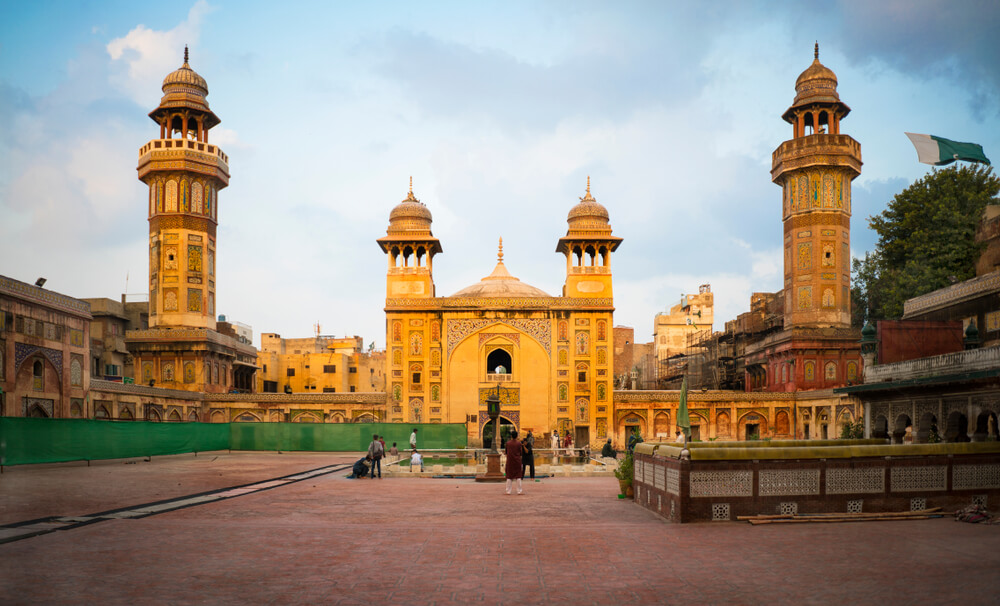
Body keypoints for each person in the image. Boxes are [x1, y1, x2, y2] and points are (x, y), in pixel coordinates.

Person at [505, 429, 524, 495]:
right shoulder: (519, 443)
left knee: (509, 476)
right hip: (517, 461)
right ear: (517, 436)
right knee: (518, 476)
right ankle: (519, 491)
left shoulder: (508, 443)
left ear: (511, 436)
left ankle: (508, 491)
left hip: (510, 461)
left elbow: (506, 452)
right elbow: (521, 453)